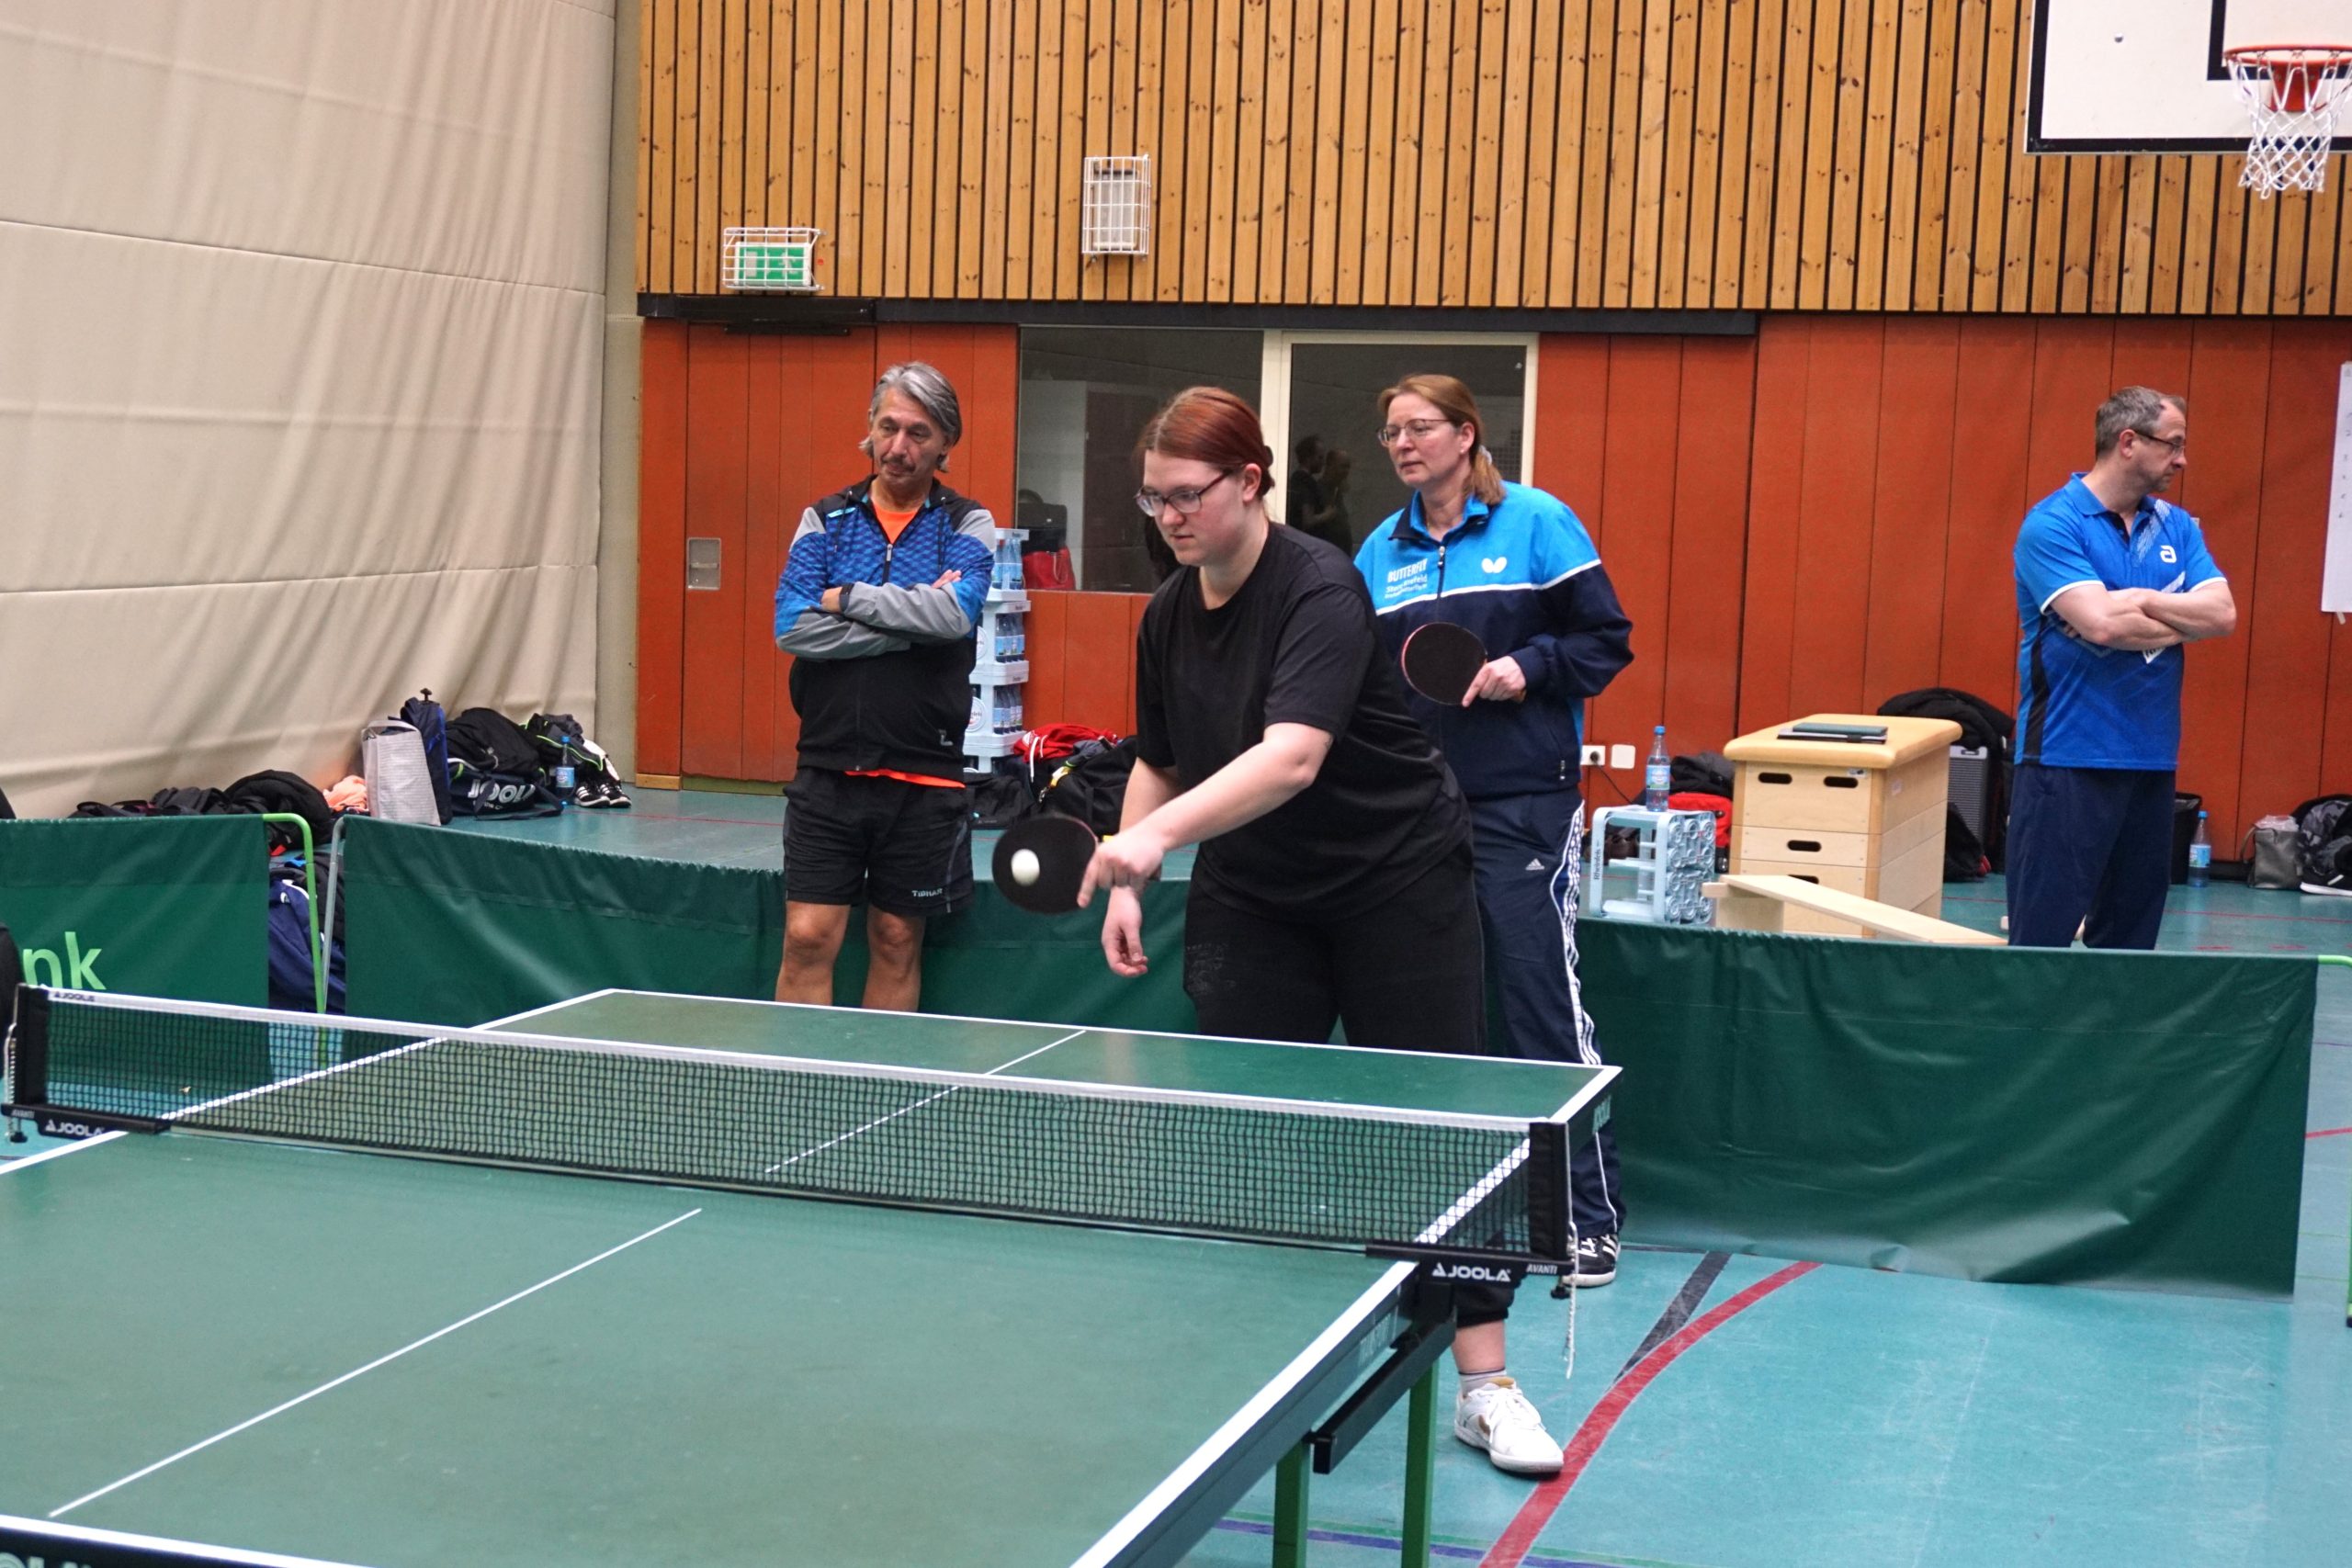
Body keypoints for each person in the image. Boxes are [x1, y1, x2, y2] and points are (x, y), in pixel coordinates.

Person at [1081, 386, 1566, 1478]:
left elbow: (1291, 756)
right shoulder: (1168, 614)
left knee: (1440, 1130)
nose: (1169, 517)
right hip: (1258, 895)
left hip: (1396, 879)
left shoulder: (1320, 587)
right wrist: (1125, 879)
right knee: (1259, 1133)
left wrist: (1153, 840)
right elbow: (1160, 755)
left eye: (1187, 495)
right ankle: (1264, 1368)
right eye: (1153, 499)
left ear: (1249, 481)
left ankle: (1484, 1387)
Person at [1353, 373, 1635, 1291]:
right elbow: (1364, 681)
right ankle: (1446, 1204)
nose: (1403, 445)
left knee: (1536, 1004)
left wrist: (1529, 667)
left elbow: (1605, 640)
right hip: (1417, 811)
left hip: (1522, 803)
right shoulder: (1379, 551)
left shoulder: (1537, 522)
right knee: (1424, 1009)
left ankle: (1587, 1218)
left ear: (1466, 434)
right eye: (1392, 432)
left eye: (1419, 427)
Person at [771, 363, 998, 1008]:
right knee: (807, 937)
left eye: (918, 433)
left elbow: (954, 616)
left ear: (945, 442)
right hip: (828, 765)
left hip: (924, 773)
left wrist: (846, 597)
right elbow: (793, 626)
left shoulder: (967, 522)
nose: (899, 446)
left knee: (897, 938)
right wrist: (913, 624)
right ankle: (796, 1072)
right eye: (888, 427)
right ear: (869, 430)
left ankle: (880, 1069)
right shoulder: (825, 519)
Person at [2008, 386, 2235, 949]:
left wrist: (2140, 599)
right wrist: (2179, 616)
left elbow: (2222, 615)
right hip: (2064, 759)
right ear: (2128, 441)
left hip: (2151, 760)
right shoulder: (2053, 523)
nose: (2182, 459)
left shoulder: (2178, 526)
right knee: (2040, 942)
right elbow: (2103, 626)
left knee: (2130, 947)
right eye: (2173, 444)